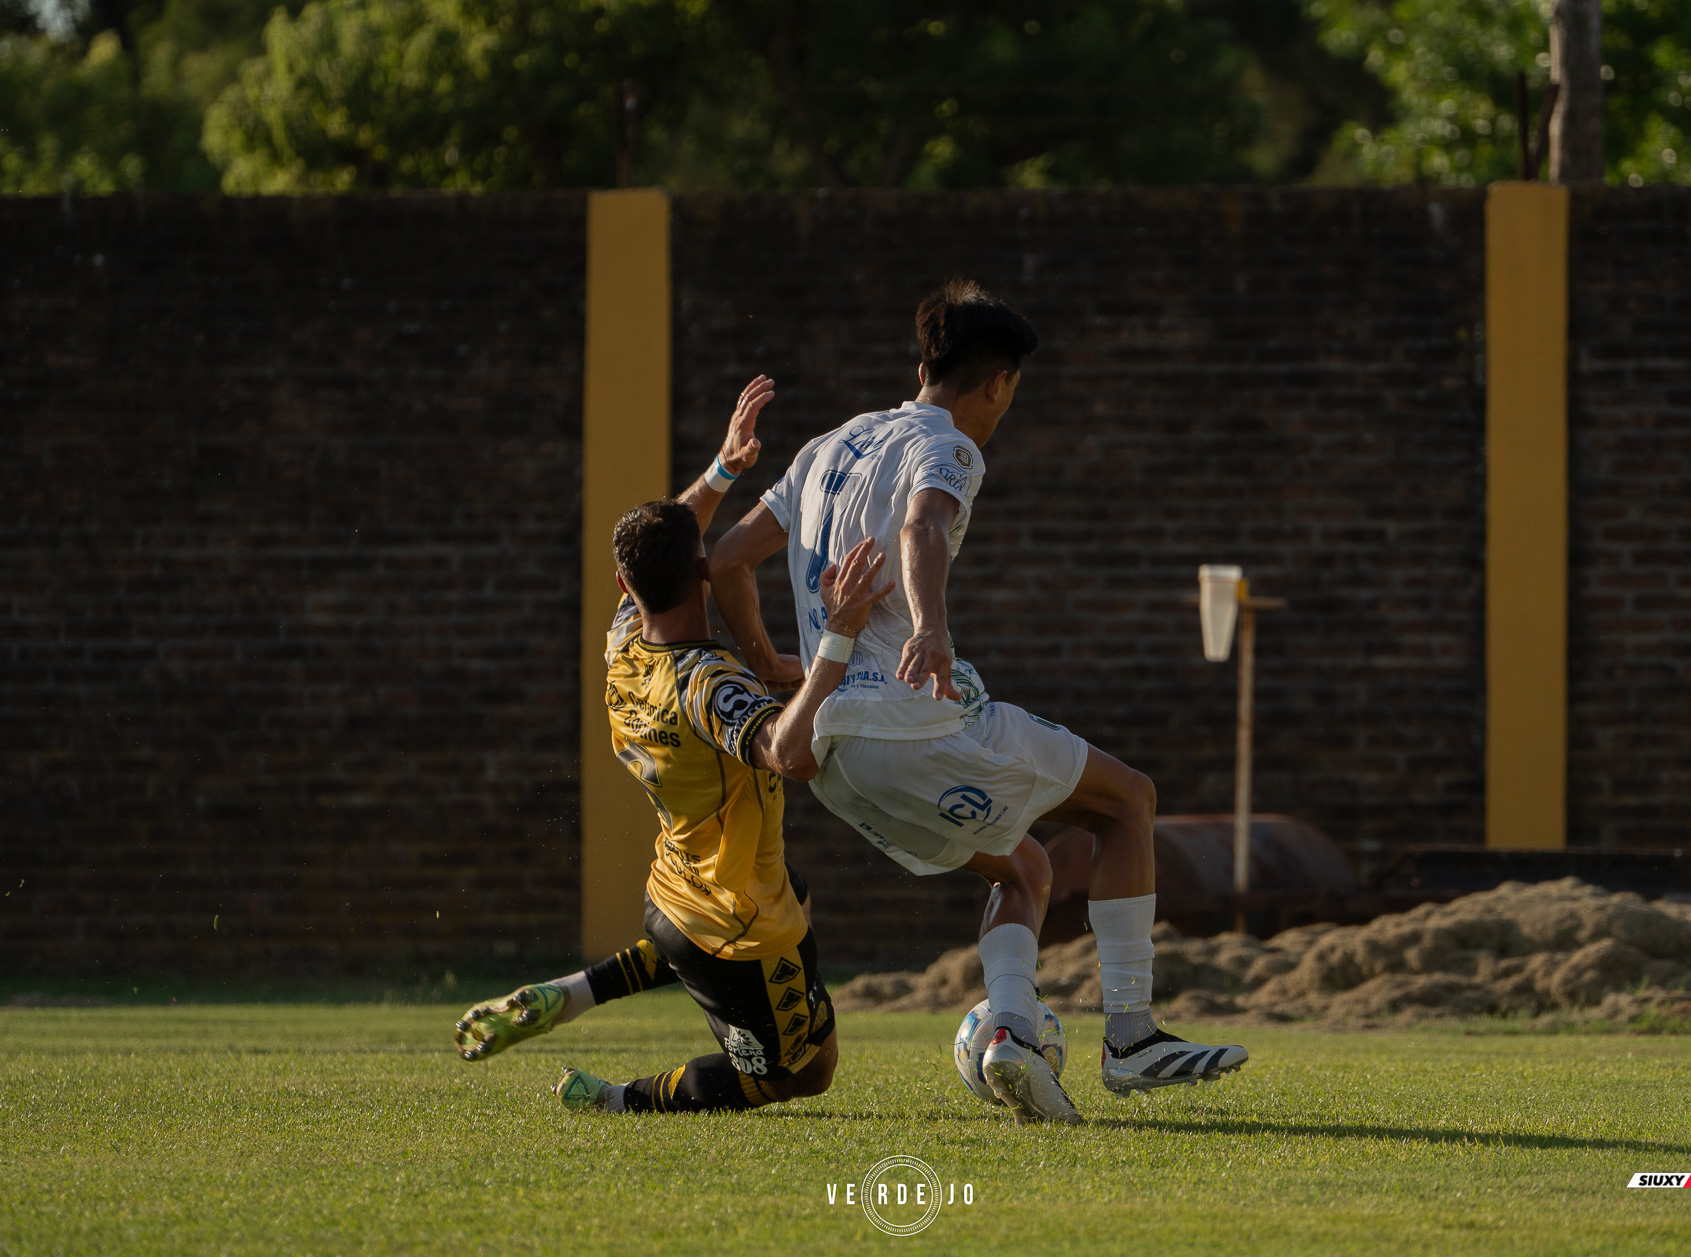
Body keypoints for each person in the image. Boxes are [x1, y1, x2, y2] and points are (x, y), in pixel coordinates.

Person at [709, 281, 1248, 1127]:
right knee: (1128, 802)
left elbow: (727, 559)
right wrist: (931, 629)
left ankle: (1006, 1033)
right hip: (914, 720)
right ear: (998, 383)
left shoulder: (830, 446)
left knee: (1024, 866)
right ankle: (1133, 1036)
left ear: (923, 360)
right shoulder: (950, 445)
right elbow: (924, 526)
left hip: (837, 759)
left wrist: (772, 660)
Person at [453, 376, 894, 1116]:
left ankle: (574, 992)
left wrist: (723, 469)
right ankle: (616, 1100)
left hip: (673, 895)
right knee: (800, 1074)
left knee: (792, 885)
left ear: (626, 584)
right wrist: (838, 636)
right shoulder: (711, 688)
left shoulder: (623, 646)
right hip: (740, 933)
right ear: (702, 571)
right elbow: (790, 755)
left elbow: (667, 540)